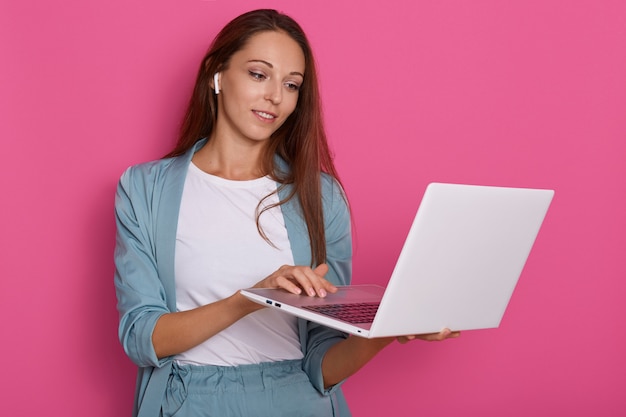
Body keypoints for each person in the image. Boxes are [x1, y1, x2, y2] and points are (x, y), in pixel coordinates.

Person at [114, 9, 459, 417]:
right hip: (188, 401)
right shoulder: (144, 189)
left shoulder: (321, 196)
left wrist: (387, 331)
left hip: (297, 400)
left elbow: (323, 363)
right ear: (216, 74)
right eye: (259, 74)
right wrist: (253, 298)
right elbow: (142, 338)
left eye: (291, 84)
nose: (276, 96)